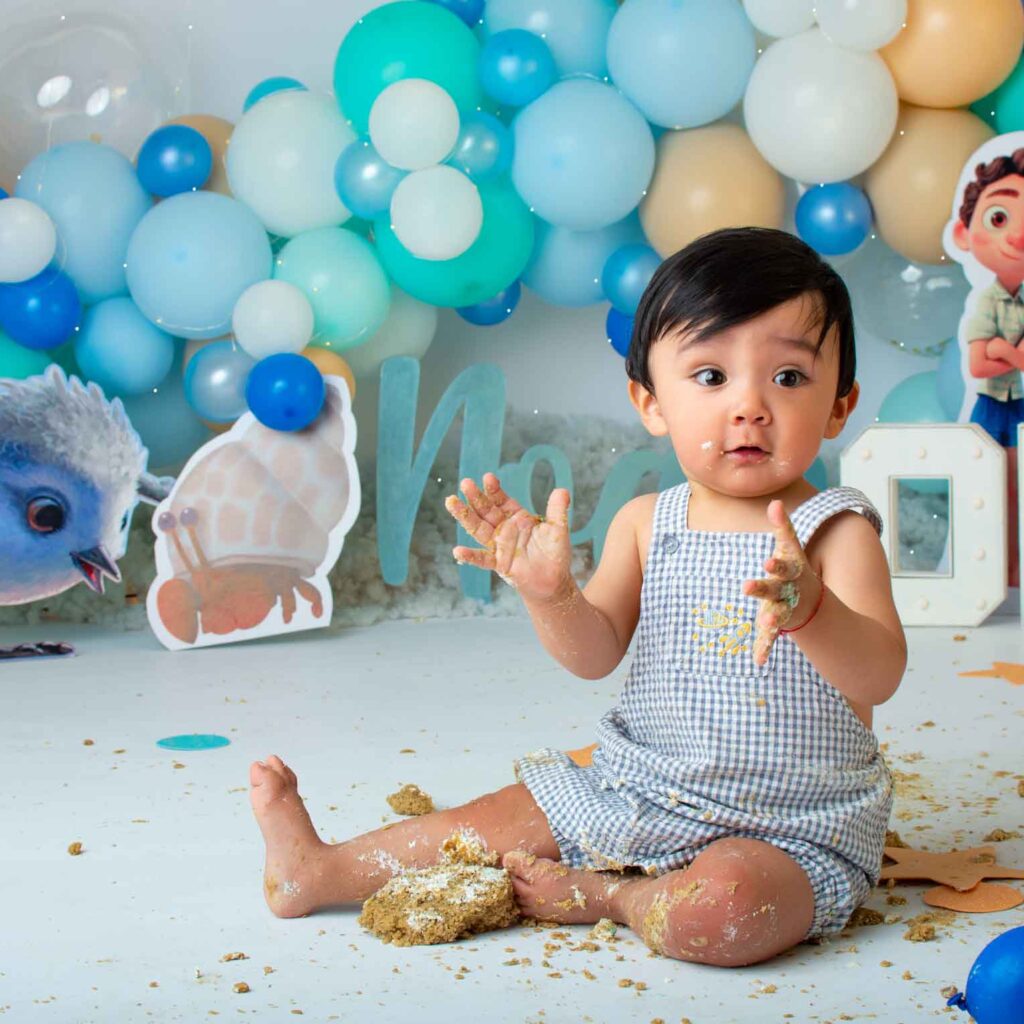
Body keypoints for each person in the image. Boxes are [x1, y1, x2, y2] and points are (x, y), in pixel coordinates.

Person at [248, 227, 905, 967]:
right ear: (650, 402)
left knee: (728, 910)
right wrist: (551, 594)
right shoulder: (646, 524)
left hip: (791, 826)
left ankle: (613, 897)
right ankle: (317, 870)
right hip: (641, 785)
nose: (749, 406)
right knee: (497, 817)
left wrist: (814, 612)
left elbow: (877, 675)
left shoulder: (833, 533)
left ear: (840, 406)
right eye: (711, 377)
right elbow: (593, 656)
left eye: (788, 378)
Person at [950, 148, 1024, 587]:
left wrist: (1003, 348)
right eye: (1000, 217)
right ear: (964, 233)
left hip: (1019, 404)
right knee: (992, 494)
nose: (1016, 236)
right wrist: (1012, 354)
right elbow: (979, 364)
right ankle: (1000, 576)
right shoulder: (985, 299)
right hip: (992, 406)